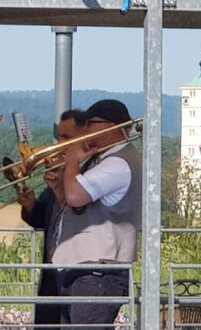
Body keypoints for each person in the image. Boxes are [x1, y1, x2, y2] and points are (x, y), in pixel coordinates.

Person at [52, 99, 142, 329]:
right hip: (85, 271)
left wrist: (71, 162)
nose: (85, 131)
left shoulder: (118, 164)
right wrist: (57, 186)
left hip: (98, 273)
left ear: (109, 126)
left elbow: (75, 196)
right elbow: (76, 206)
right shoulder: (102, 159)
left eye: (90, 123)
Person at [18, 109, 86, 329]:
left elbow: (79, 215)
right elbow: (45, 221)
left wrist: (59, 189)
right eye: (59, 138)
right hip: (50, 278)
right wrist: (30, 206)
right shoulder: (60, 171)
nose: (59, 144)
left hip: (74, 278)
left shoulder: (86, 176)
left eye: (67, 138)